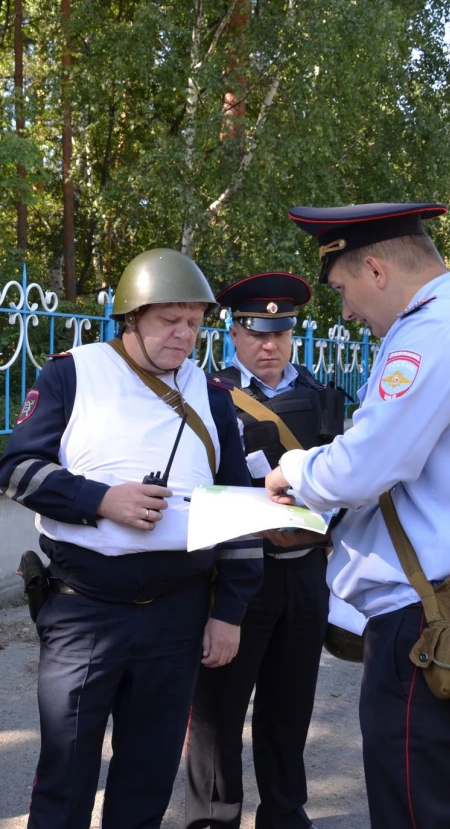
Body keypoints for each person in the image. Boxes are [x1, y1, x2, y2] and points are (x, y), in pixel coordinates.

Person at [263, 203, 450, 829]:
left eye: (342, 291)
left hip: (428, 625)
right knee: (434, 800)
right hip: (449, 609)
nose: (347, 312)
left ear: (376, 270)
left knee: (418, 808)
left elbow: (364, 465)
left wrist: (293, 471)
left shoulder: (436, 332)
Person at [0, 248, 263, 829]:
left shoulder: (213, 397)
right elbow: (16, 470)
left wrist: (231, 612)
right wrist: (100, 500)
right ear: (132, 317)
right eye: (169, 319)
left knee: (147, 774)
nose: (183, 335)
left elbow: (241, 511)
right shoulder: (72, 372)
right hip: (82, 611)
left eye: (193, 322)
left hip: (178, 614)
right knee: (65, 774)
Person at [185, 272, 344, 829]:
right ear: (234, 333)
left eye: (280, 332)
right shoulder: (206, 395)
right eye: (257, 334)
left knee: (290, 705)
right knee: (217, 711)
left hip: (304, 573)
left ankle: (284, 813)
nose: (269, 345)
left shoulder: (326, 396)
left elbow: (348, 481)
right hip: (236, 574)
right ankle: (213, 817)